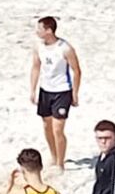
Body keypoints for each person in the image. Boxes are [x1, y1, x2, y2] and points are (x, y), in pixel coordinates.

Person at [28, 17, 83, 171]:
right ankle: (54, 156)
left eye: (40, 29)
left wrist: (75, 93)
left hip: (62, 91)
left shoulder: (65, 48)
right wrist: (33, 90)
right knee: (47, 126)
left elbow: (77, 71)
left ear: (49, 30)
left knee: (58, 129)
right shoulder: (38, 47)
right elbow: (36, 67)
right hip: (45, 90)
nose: (37, 31)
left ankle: (60, 163)